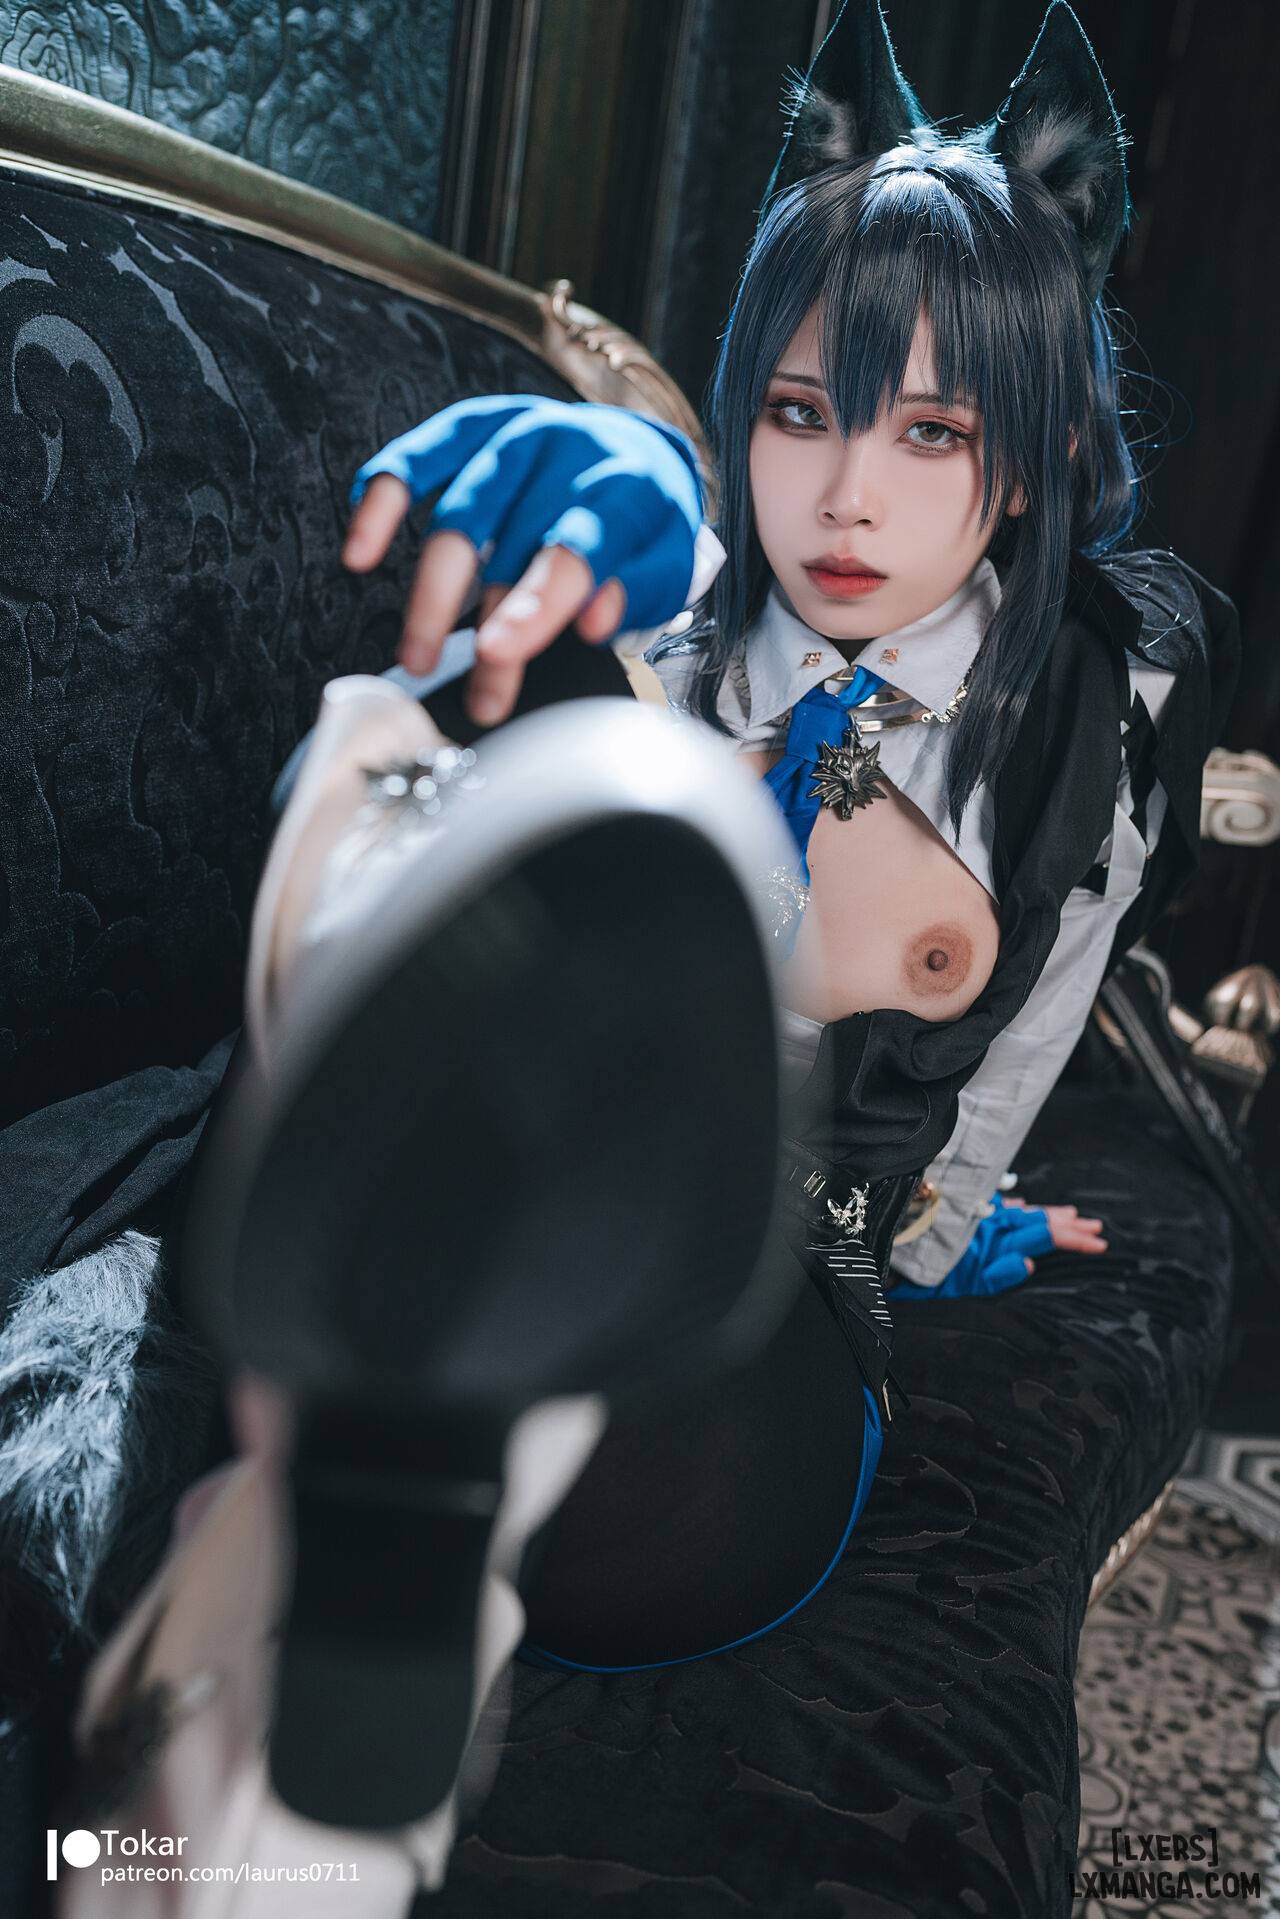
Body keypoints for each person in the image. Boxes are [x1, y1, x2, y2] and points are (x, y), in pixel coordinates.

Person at [57, 0, 1239, 1906]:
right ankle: (300, 1697)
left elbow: (999, 1075)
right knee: (450, 748)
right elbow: (596, 656)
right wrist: (611, 568)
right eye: (799, 413)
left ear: (1023, 465)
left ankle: (321, 1589)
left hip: (746, 1359)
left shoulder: (1089, 722)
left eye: (934, 432)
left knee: (607, 1051)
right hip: (431, 1187)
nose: (846, 498)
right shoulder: (665, 619)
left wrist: (953, 1225)